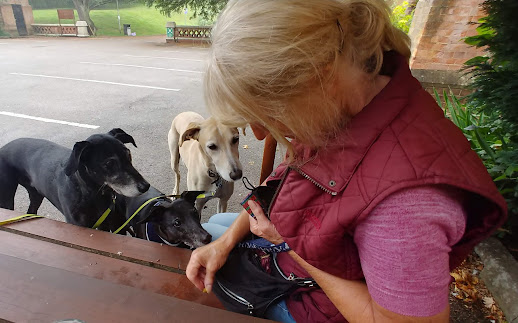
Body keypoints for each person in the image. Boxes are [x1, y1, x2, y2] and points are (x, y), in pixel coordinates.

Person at [187, 0, 508, 322]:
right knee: (217, 228)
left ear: (318, 75)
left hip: (311, 303)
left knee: (200, 248)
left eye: (267, 112)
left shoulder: (406, 203)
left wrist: (289, 241)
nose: (258, 134)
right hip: (304, 259)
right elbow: (284, 182)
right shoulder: (344, 111)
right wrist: (225, 244)